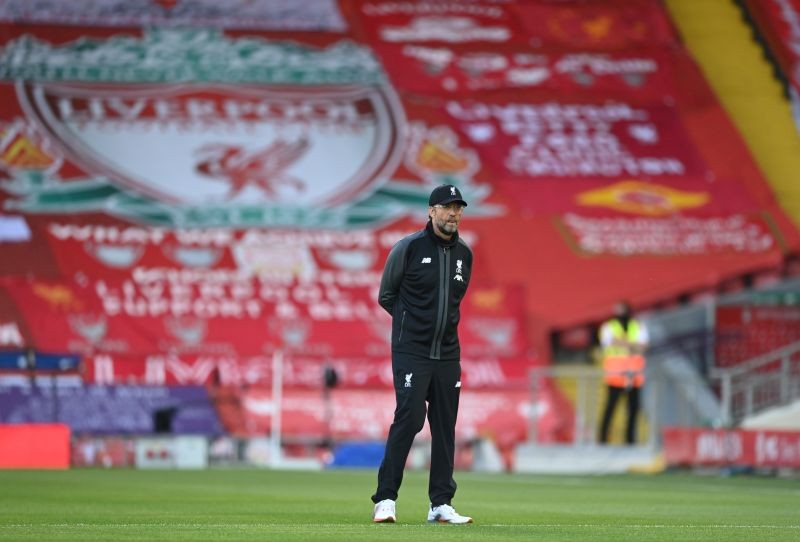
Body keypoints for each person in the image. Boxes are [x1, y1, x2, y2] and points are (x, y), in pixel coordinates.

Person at [371, 184, 474, 525]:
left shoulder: (465, 255)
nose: (454, 213)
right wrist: (409, 328)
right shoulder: (409, 248)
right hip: (411, 352)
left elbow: (455, 302)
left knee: (445, 428)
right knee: (410, 419)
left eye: (458, 208)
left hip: (448, 355)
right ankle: (385, 499)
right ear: (431, 211)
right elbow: (388, 295)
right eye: (447, 207)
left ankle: (440, 504)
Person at [597, 301, 649, 445]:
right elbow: (608, 342)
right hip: (615, 376)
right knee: (610, 408)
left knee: (633, 409)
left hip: (634, 376)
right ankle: (602, 439)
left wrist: (621, 342)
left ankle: (630, 440)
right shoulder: (608, 326)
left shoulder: (638, 326)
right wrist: (633, 345)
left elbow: (643, 347)